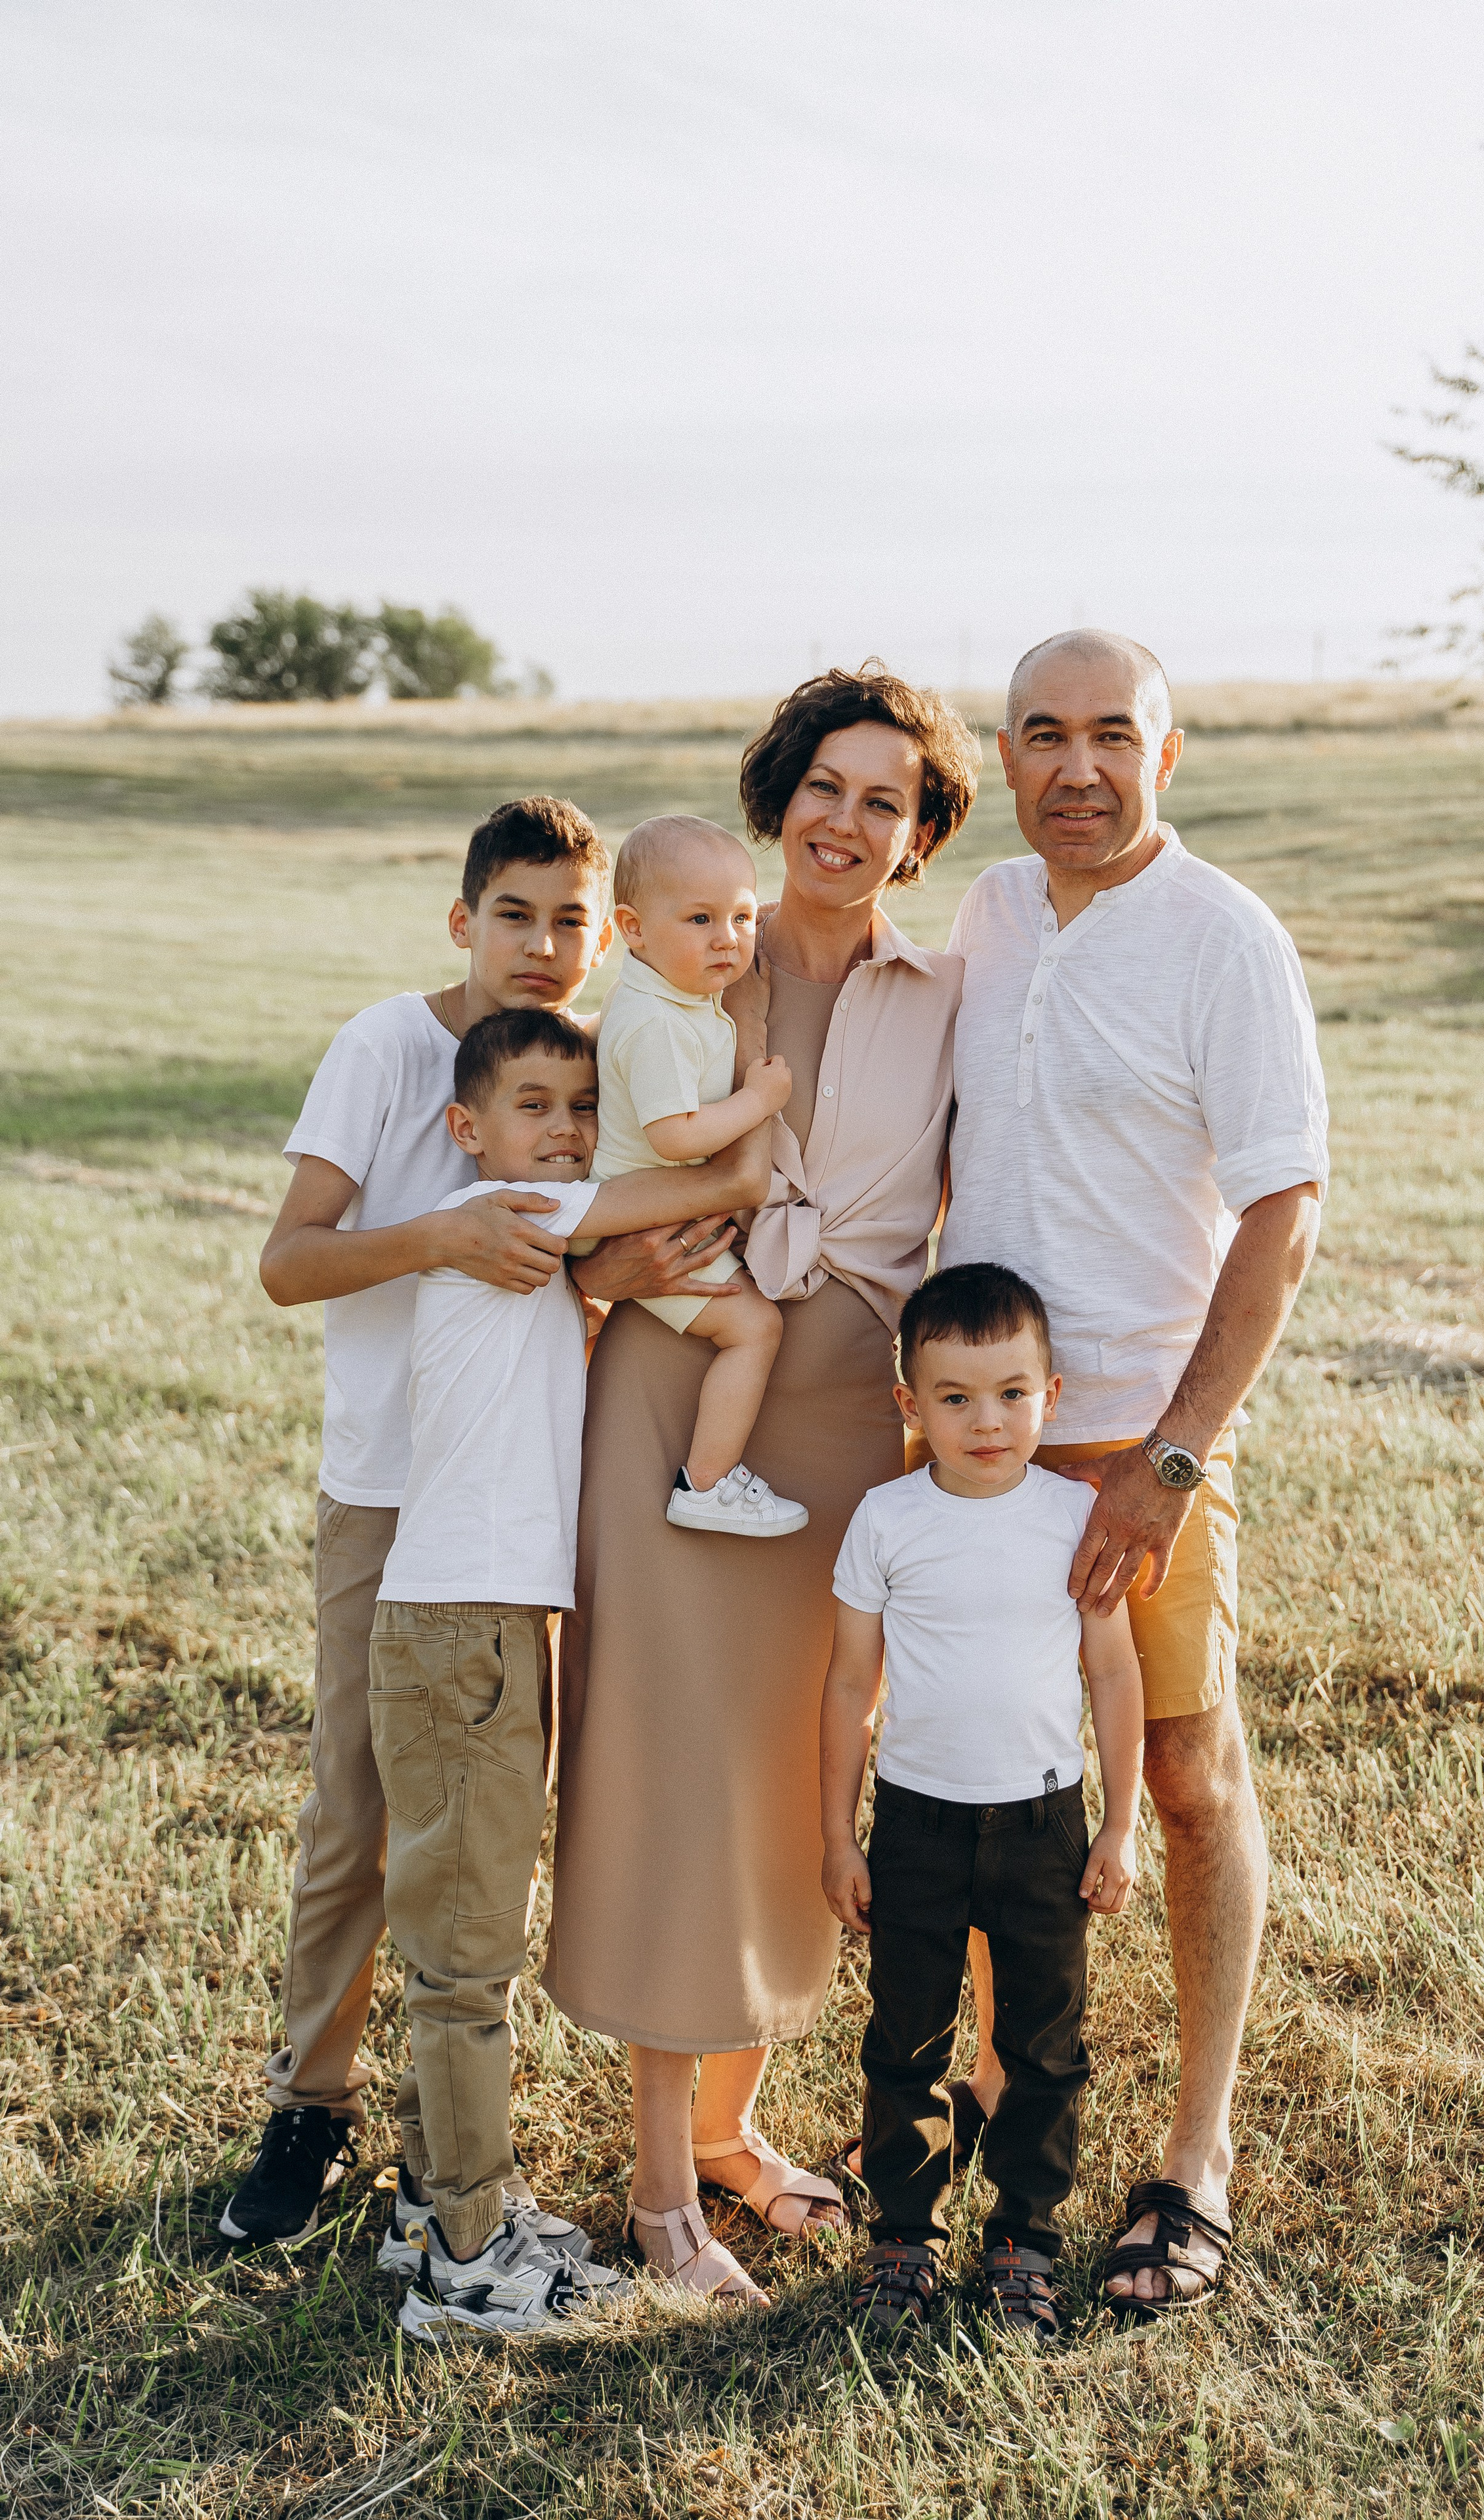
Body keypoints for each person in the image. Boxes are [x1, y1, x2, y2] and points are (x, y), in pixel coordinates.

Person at [222, 795, 737, 2250]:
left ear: (604, 936)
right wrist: (442, 1230)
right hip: (392, 1495)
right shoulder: (392, 1048)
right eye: (516, 913)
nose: (543, 942)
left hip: (525, 1500)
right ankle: (308, 2104)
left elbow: (558, 1266)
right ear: (464, 921)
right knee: (357, 1812)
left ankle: (443, 2134)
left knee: (488, 1823)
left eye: (572, 918)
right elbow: (289, 1262)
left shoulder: (578, 1067)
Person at [546, 665, 979, 2303]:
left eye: (887, 798)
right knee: (669, 1761)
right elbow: (564, 1181)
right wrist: (606, 1260)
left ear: (922, 836)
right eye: (825, 783)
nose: (847, 819)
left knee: (797, 1769)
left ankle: (732, 2129)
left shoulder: (945, 993)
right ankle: (660, 2189)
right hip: (678, 1389)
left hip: (841, 1411)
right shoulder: (675, 961)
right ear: (774, 793)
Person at [935, 628, 1329, 2320]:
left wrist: (1169, 1460)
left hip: (1138, 1440)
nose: (1076, 767)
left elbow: (1282, 1210)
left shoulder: (1221, 937)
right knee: (983, 1775)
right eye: (1043, 735)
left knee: (1177, 1774)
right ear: (1003, 762)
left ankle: (1194, 2155)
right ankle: (1010, 2099)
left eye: (1112, 734)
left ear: (1166, 756)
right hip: (974, 1431)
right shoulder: (988, 915)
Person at [370, 1007, 766, 2336]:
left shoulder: (529, 1251)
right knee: (468, 1951)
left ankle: (448, 2201)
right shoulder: (509, 1207)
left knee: (468, 1926)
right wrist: (755, 1091)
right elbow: (711, 1180)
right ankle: (468, 2254)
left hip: (480, 1622)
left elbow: (594, 1278)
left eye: (582, 1104)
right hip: (462, 1625)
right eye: (533, 1102)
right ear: (467, 1131)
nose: (565, 1129)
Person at [821, 1265, 1144, 2345]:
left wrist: (1123, 1823)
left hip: (1045, 1826)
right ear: (909, 1405)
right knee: (907, 2038)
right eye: (954, 1397)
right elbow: (847, 1687)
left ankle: (1025, 2243)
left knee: (1046, 2044)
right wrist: (837, 1834)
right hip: (916, 1823)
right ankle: (904, 2242)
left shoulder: (1074, 1516)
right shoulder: (885, 1520)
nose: (987, 1420)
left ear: (1052, 1392)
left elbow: (1114, 1675)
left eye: (1011, 1392)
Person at [585, 814, 807, 1538]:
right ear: (633, 928)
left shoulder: (674, 996)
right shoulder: (654, 1022)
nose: (728, 938)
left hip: (666, 1208)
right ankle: (706, 1483)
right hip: (652, 1221)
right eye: (701, 919)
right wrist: (756, 1100)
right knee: (754, 1328)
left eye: (742, 917)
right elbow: (673, 1135)